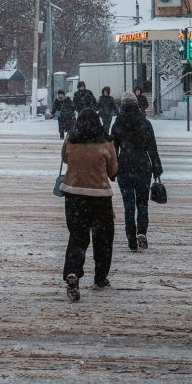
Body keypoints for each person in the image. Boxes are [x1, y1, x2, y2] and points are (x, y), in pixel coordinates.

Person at [60, 108, 118, 300]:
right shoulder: (106, 143)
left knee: (77, 237)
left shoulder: (70, 140)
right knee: (103, 240)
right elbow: (113, 171)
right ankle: (100, 278)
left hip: (74, 196)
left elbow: (65, 159)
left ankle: (73, 271)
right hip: (100, 197)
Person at [111, 92, 162, 252]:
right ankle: (142, 232)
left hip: (124, 167)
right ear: (136, 105)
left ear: (123, 105)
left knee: (129, 206)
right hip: (142, 167)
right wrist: (156, 167)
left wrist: (112, 170)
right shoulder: (144, 123)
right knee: (142, 204)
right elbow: (152, 147)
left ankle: (131, 239)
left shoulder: (118, 122)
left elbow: (113, 149)